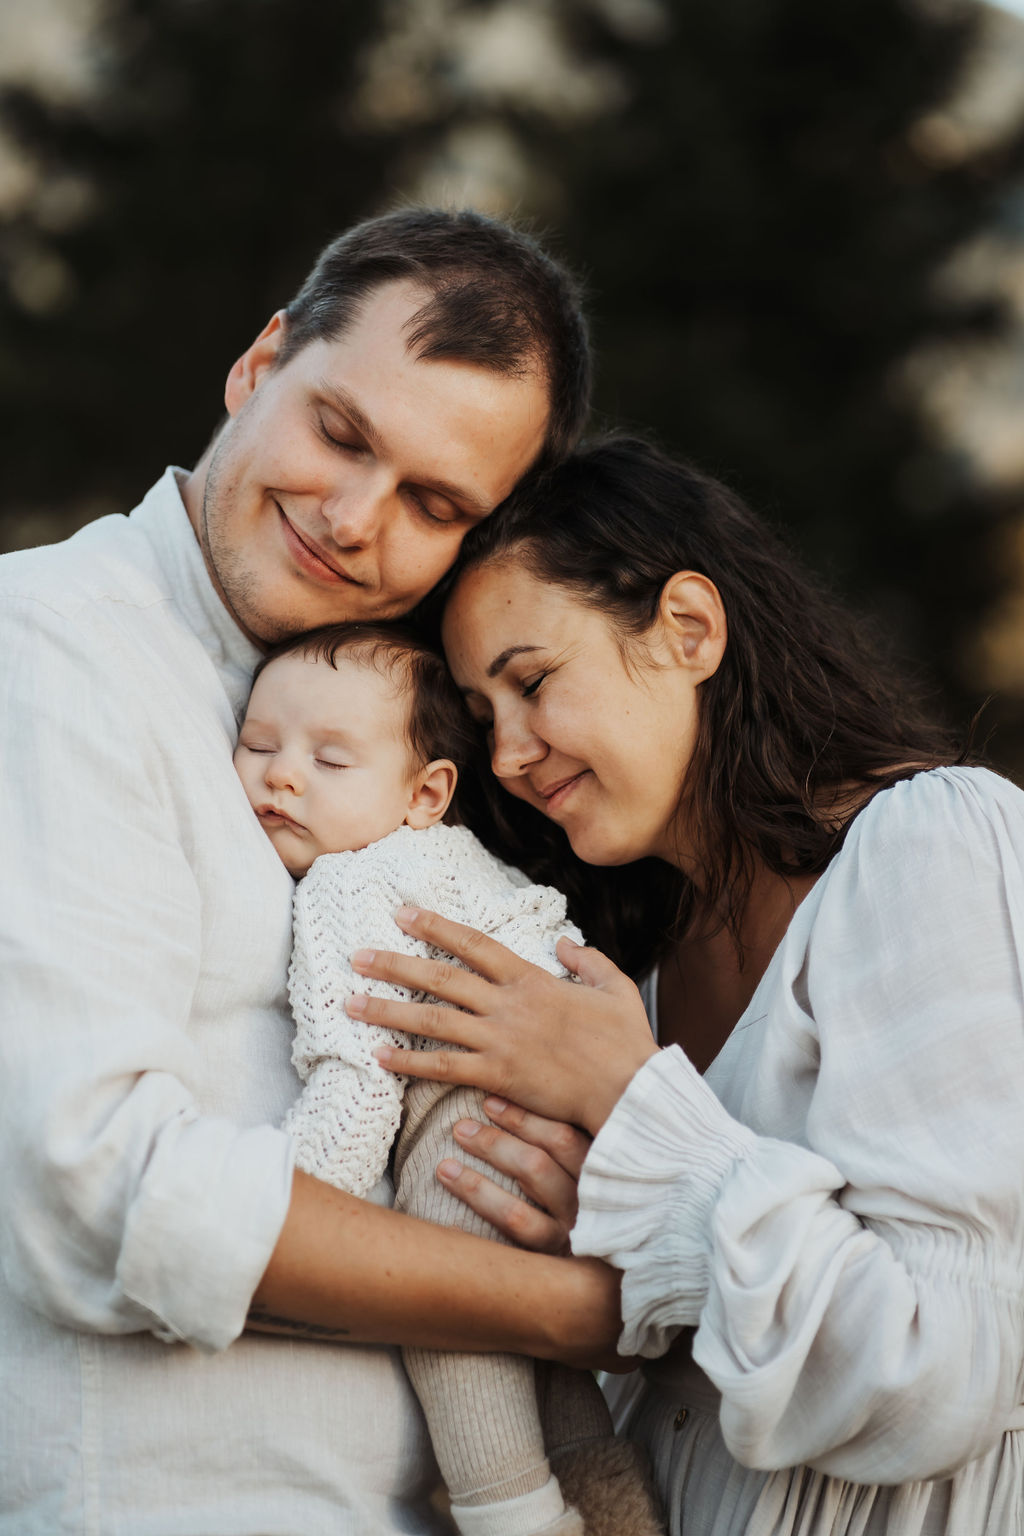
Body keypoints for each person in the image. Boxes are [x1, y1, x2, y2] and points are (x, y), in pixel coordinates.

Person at [0, 206, 624, 1536]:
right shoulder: (49, 655)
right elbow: (103, 1192)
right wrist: (588, 1309)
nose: (353, 519)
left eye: (434, 504)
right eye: (342, 434)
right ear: (259, 363)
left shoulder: (413, 730)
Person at [347, 436, 1024, 1536]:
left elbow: (935, 1369)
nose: (511, 754)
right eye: (482, 718)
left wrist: (633, 1115)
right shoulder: (639, 970)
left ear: (689, 630)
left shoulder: (929, 846)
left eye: (531, 682)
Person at [233, 621, 663, 1536]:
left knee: (453, 1317)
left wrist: (268, 1208)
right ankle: (616, 1511)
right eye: (259, 744)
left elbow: (357, 1091)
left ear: (428, 791)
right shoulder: (467, 863)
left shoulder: (348, 885)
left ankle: (510, 1514)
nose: (282, 775)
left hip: (476, 1128)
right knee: (545, 1369)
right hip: (569, 1130)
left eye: (330, 760)